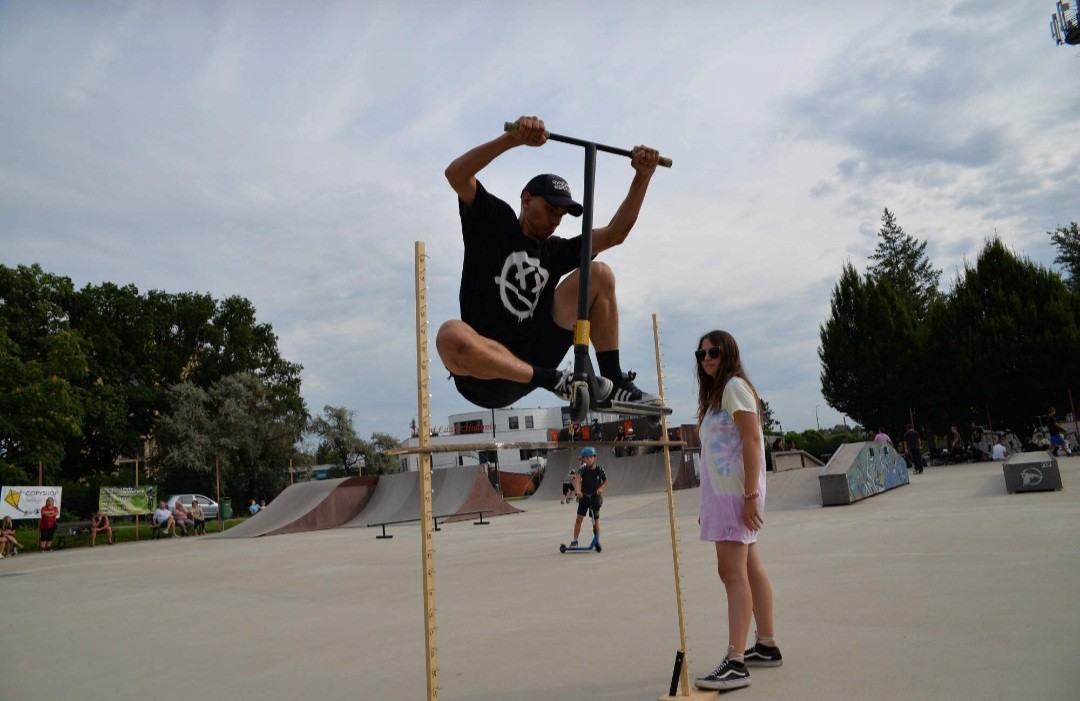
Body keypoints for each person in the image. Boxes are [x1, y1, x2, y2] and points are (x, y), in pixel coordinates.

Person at [437, 115, 663, 412]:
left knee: (599, 273)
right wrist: (513, 139)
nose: (556, 220)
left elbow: (615, 234)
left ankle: (613, 383)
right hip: (483, 376)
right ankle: (554, 380)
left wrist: (642, 177)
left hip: (535, 354)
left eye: (561, 215)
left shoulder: (555, 250)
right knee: (450, 334)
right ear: (526, 200)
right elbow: (455, 174)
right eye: (550, 210)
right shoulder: (493, 221)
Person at [692, 330, 781, 691]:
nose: (707, 358)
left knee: (731, 573)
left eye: (714, 351)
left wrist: (749, 496)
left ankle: (735, 662)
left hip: (735, 496)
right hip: (724, 497)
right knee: (750, 568)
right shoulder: (717, 395)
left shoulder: (734, 387)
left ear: (728, 353)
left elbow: (752, 439)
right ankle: (766, 644)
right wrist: (707, 504)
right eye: (701, 354)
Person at [570, 447, 606, 547]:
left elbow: (606, 481)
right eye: (586, 457)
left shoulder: (600, 470)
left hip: (595, 498)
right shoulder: (582, 469)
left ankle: (597, 540)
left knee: (595, 520)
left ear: (595, 458)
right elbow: (577, 479)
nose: (589, 459)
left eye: (591, 457)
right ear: (584, 459)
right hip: (584, 498)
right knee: (579, 519)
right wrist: (578, 490)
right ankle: (575, 540)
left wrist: (601, 488)